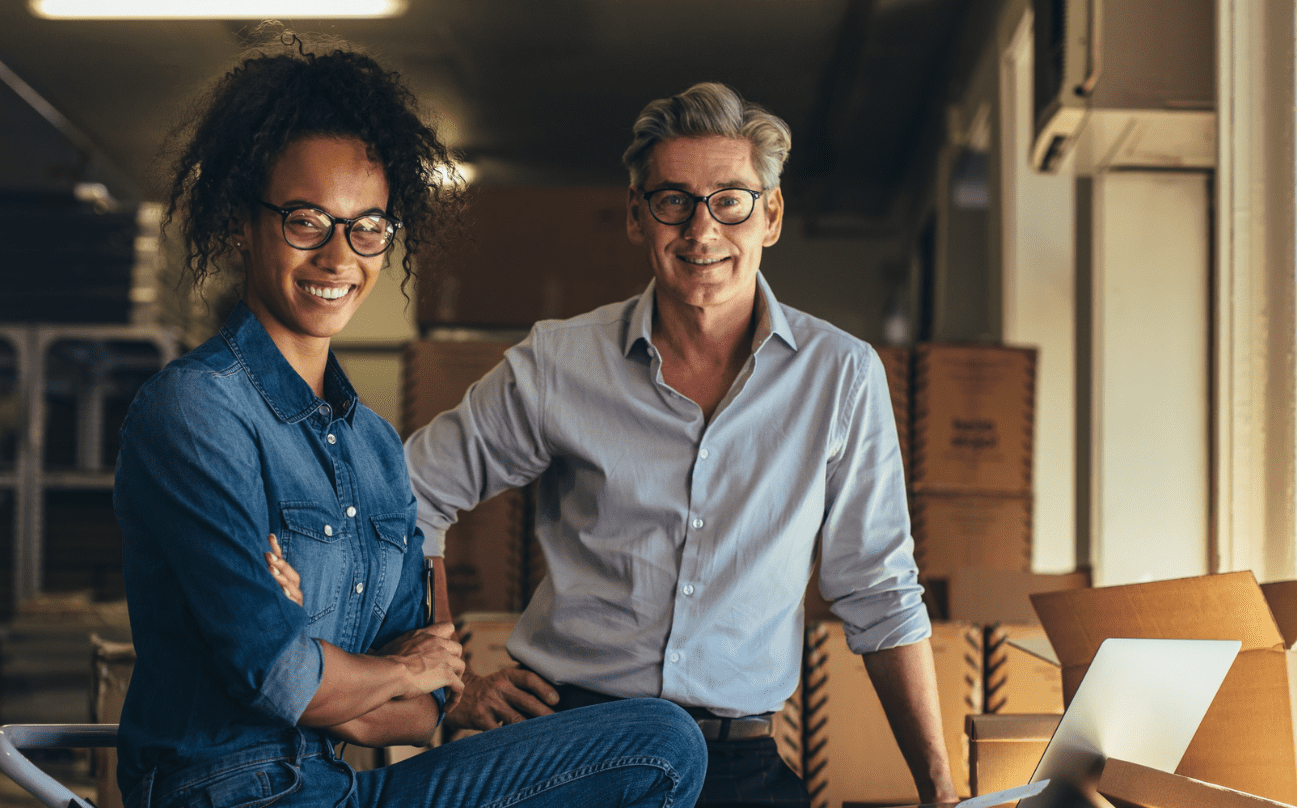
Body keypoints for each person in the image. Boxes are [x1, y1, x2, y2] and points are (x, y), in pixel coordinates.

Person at [113, 36, 707, 808]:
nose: (339, 256)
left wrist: (346, 670)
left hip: (337, 790)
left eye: (367, 228)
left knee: (662, 743)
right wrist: (391, 669)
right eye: (305, 221)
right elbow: (284, 679)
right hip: (230, 792)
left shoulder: (374, 449)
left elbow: (420, 716)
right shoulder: (195, 411)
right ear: (239, 223)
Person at [398, 82, 957, 807]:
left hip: (738, 760)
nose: (701, 230)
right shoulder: (559, 364)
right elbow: (410, 494)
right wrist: (452, 682)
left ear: (772, 215)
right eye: (673, 201)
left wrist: (941, 792)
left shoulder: (841, 376)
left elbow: (880, 592)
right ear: (637, 216)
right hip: (570, 747)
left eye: (730, 199)